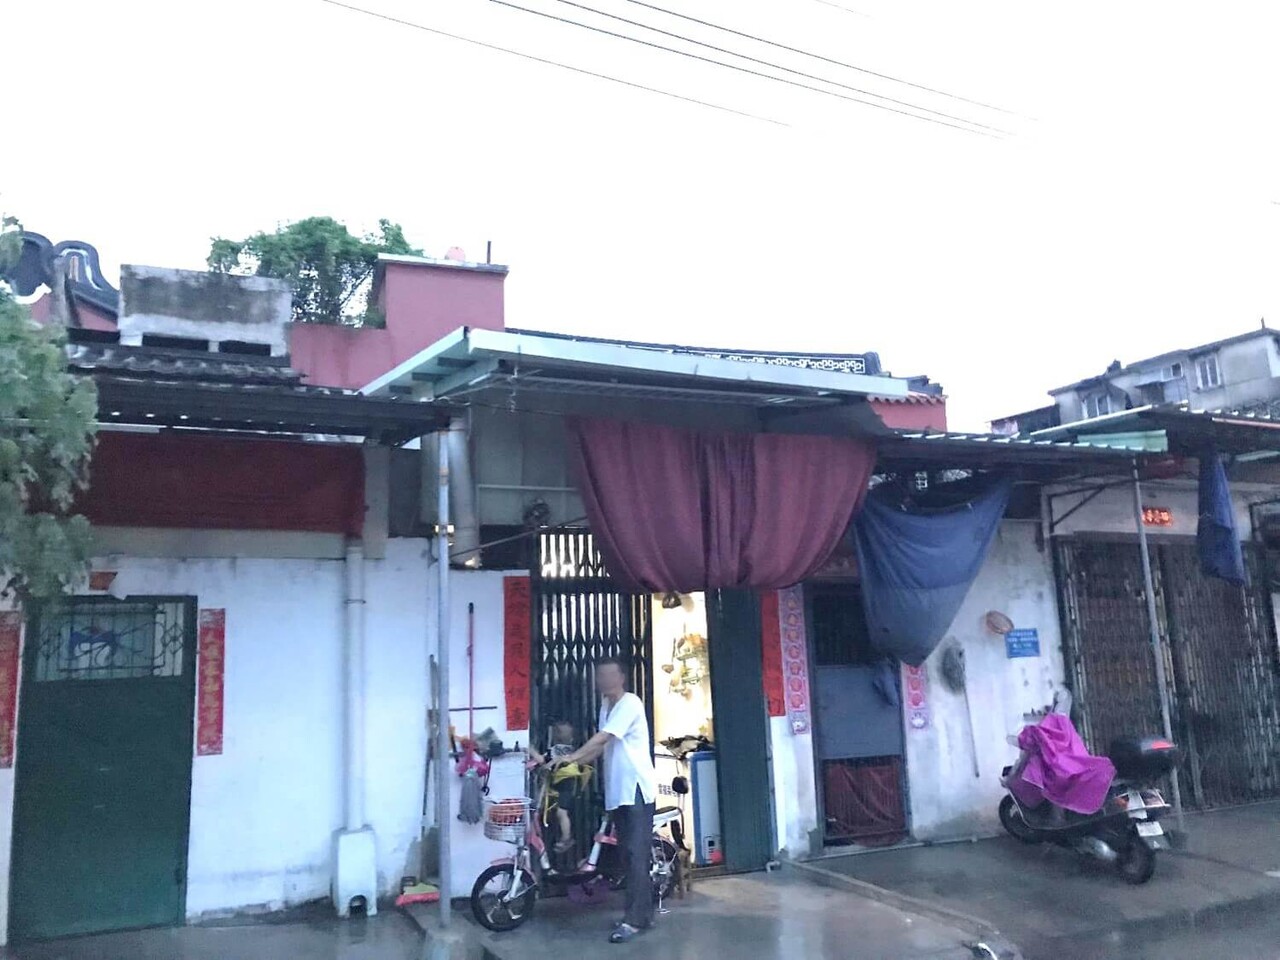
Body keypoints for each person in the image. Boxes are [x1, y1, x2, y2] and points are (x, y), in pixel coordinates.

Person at [553, 657, 657, 944]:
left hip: (635, 790)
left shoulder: (630, 703)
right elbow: (600, 748)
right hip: (618, 792)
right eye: (600, 676)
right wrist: (569, 763)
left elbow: (603, 738)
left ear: (622, 678)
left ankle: (634, 921)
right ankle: (643, 914)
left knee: (635, 856)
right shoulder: (605, 706)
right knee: (627, 856)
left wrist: (572, 756)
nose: (604, 680)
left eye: (609, 675)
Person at [527, 720, 584, 855]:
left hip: (566, 786)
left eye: (559, 732)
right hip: (565, 786)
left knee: (561, 812)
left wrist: (530, 749)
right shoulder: (569, 749)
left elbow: (543, 760)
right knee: (555, 811)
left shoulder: (560, 749)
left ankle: (566, 838)